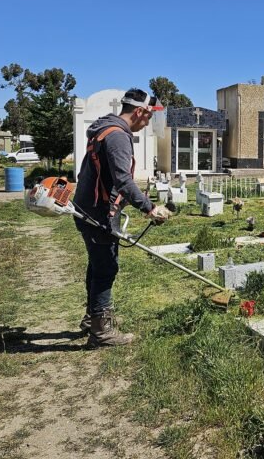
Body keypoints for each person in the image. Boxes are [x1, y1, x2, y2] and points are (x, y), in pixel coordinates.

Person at [73, 88, 171, 348]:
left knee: (97, 265)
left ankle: (92, 318)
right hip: (98, 213)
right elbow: (122, 179)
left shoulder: (105, 129)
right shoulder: (117, 136)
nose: (148, 123)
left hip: (88, 208)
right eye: (149, 117)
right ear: (139, 111)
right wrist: (150, 207)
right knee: (106, 268)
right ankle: (102, 332)